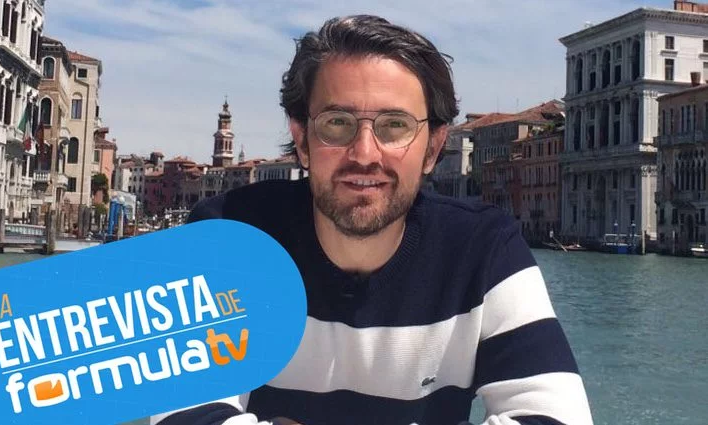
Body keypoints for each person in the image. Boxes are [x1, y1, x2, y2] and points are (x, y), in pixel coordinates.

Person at [152, 14, 593, 425]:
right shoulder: (223, 234)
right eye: (337, 123)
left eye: (395, 126)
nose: (364, 154)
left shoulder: (486, 249)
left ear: (433, 148)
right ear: (302, 141)